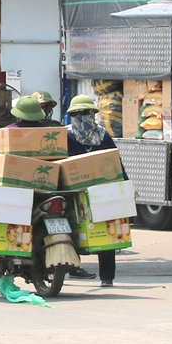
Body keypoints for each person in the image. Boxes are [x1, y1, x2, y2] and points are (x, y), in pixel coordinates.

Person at [64, 92, 120, 286]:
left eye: (86, 113)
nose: (82, 117)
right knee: (69, 228)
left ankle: (107, 277)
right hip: (73, 190)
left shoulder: (103, 135)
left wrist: (125, 185)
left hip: (100, 190)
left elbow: (115, 162)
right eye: (78, 114)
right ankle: (73, 266)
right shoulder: (66, 135)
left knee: (106, 232)